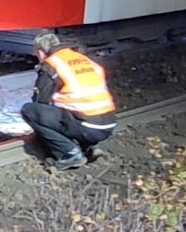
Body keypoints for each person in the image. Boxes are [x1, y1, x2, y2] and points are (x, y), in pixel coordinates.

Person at [21, 32, 116, 170]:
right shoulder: (82, 59)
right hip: (108, 122)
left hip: (87, 127)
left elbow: (41, 101)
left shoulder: (51, 65)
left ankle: (69, 154)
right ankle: (89, 147)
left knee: (29, 111)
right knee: (73, 112)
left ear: (41, 53)